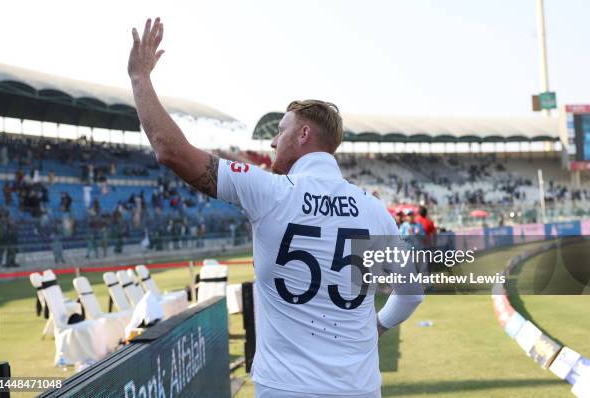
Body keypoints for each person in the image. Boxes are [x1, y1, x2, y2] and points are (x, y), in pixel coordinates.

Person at [127, 18, 423, 398]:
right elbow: (411, 292)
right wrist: (378, 326)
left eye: (280, 131)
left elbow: (171, 151)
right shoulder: (374, 211)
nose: (271, 144)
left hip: (285, 387)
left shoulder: (269, 191)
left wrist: (140, 78)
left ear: (303, 135)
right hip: (358, 388)